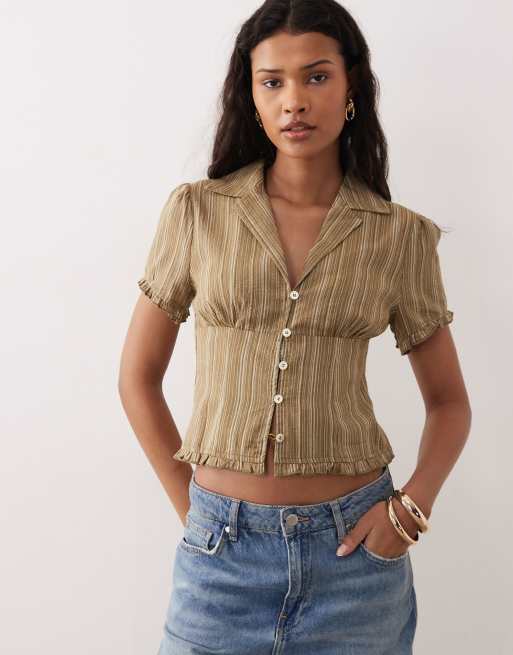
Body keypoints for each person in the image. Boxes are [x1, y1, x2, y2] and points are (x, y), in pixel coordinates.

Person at [118, 1, 472, 653]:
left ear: (351, 87)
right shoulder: (197, 213)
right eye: (272, 81)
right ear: (251, 97)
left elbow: (449, 402)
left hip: (356, 562)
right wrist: (196, 514)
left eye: (315, 76)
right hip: (219, 560)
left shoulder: (399, 237)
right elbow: (138, 378)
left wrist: (409, 510)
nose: (293, 101)